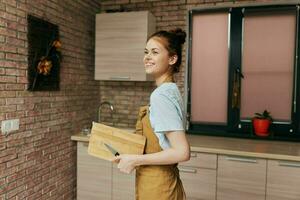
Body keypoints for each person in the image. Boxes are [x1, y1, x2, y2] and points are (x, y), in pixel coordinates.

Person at [113, 28, 190, 200]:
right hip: (160, 181)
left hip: (159, 186)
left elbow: (182, 152)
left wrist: (134, 160)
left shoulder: (161, 95)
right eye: (146, 52)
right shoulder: (170, 90)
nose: (147, 57)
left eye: (155, 52)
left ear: (172, 58)